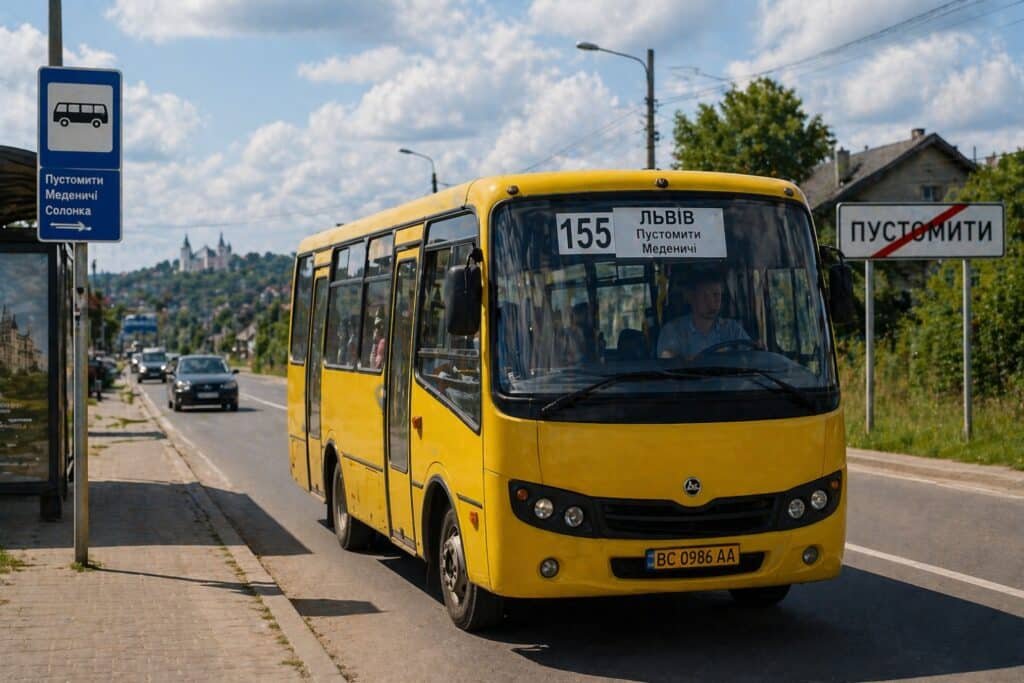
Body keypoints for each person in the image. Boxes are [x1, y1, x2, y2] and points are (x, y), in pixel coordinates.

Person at [656, 267, 750, 359]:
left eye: (716, 295)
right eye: (705, 296)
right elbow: (668, 360)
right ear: (691, 297)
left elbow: (750, 355)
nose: (711, 302)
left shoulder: (732, 329)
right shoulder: (673, 330)